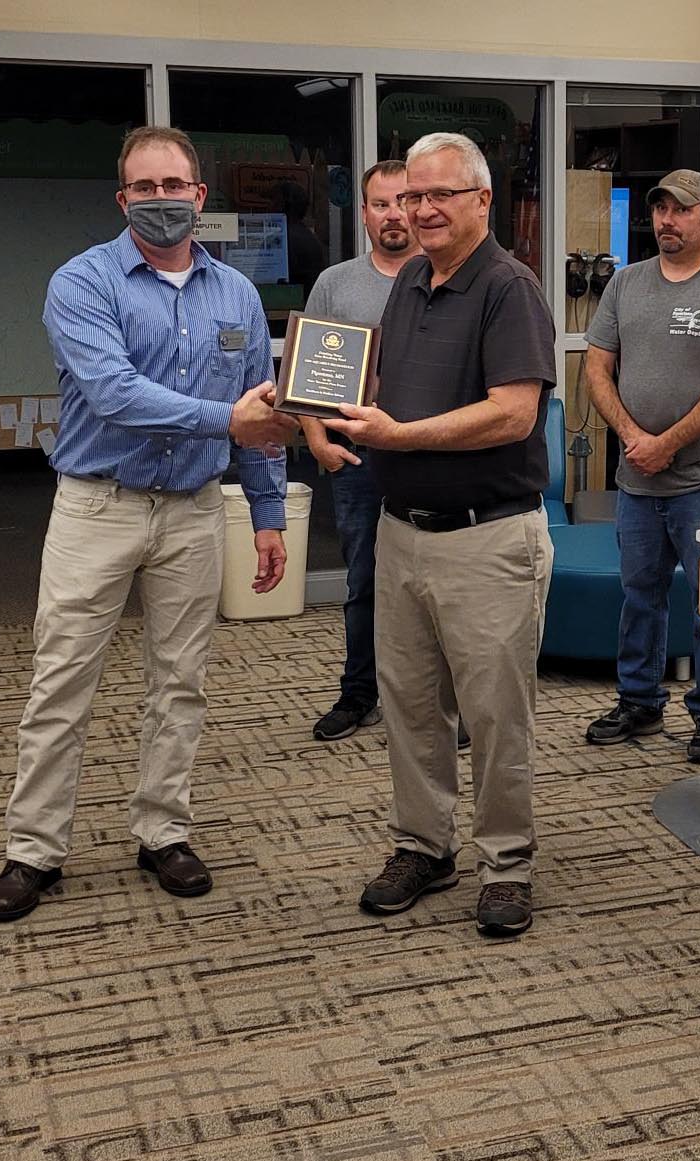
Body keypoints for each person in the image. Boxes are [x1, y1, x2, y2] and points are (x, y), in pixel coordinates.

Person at [0, 125, 297, 922]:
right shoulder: (82, 283)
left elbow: (261, 410)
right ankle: (34, 850)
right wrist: (229, 422)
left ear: (200, 194)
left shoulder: (237, 297)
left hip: (193, 513)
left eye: (175, 186)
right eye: (145, 189)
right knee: (62, 683)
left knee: (179, 683)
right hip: (97, 508)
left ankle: (163, 831)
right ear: (125, 200)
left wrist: (266, 514)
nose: (162, 200)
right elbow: (116, 393)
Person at [331, 132, 556, 939]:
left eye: (439, 196)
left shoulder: (510, 287)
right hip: (403, 534)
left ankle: (508, 865)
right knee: (410, 705)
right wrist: (329, 410)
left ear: (481, 202)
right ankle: (424, 846)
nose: (420, 210)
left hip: (487, 540)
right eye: (409, 196)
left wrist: (400, 436)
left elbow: (514, 412)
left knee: (497, 716)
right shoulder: (413, 281)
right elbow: (392, 384)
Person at [582, 168, 700, 764]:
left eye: (680, 210)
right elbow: (596, 367)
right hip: (636, 480)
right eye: (660, 208)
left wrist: (670, 441)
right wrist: (636, 436)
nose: (666, 219)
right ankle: (639, 701)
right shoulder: (626, 283)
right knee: (639, 593)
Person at [299, 160, 418, 742]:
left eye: (403, 201)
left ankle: (438, 704)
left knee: (434, 584)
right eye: (380, 204)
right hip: (357, 458)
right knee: (363, 581)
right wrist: (318, 438)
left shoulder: (444, 275)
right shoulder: (336, 283)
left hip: (430, 455)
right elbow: (309, 374)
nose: (393, 214)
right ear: (364, 213)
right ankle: (359, 693)